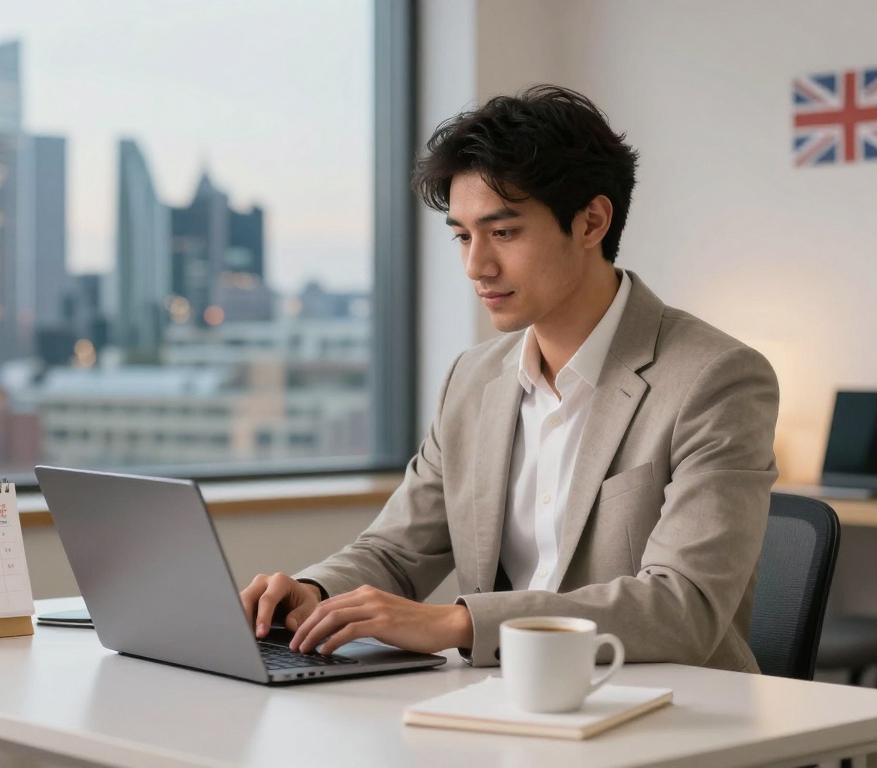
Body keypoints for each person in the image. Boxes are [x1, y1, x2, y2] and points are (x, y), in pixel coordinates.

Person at [240, 85, 779, 672]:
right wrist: (313, 592)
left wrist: (459, 622)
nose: (477, 266)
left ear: (592, 221)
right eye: (463, 236)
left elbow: (683, 607)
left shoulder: (716, 378)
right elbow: (397, 550)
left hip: (662, 713)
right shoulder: (472, 379)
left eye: (504, 233)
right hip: (498, 705)